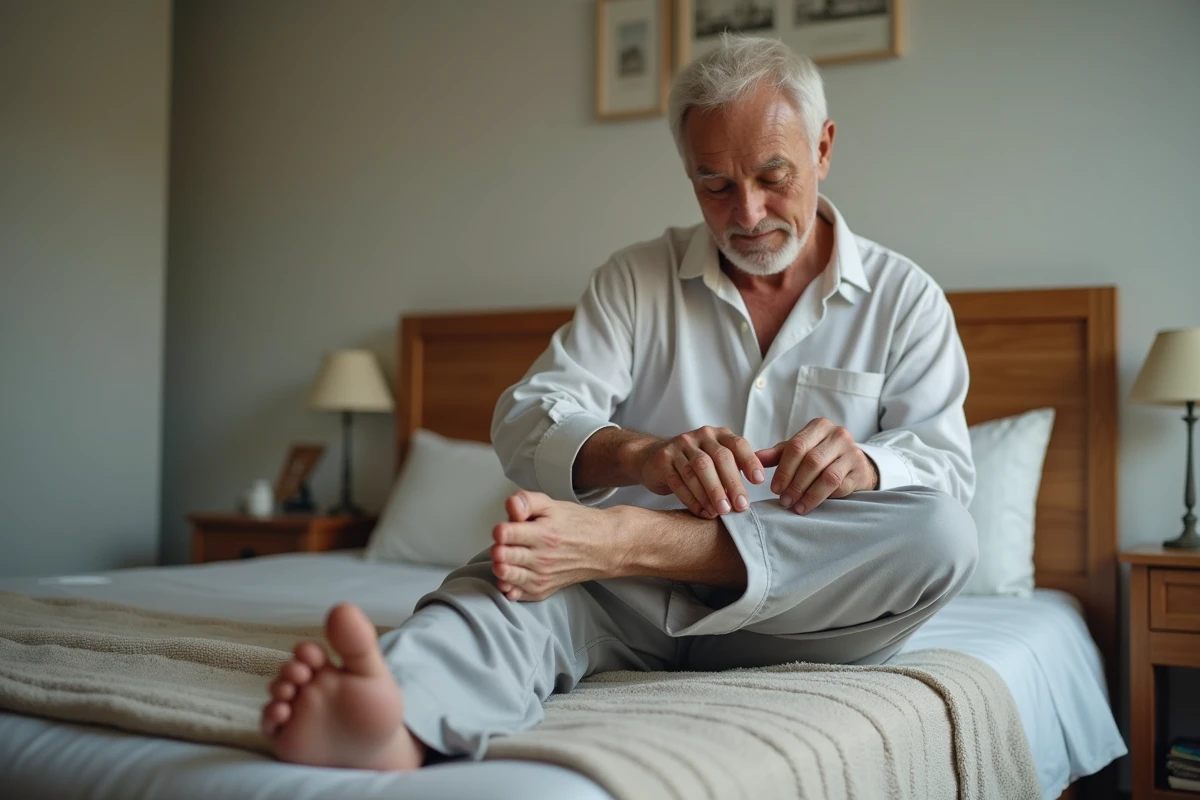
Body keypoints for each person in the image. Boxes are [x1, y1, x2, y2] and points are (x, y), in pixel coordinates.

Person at [259, 34, 978, 771]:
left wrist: (865, 466)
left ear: (823, 149)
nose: (749, 212)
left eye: (773, 175)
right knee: (517, 572)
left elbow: (948, 471)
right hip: (635, 601)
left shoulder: (905, 299)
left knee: (942, 534)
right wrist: (641, 454)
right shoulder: (636, 280)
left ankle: (633, 537)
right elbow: (526, 417)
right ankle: (396, 717)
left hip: (815, 615)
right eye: (715, 184)